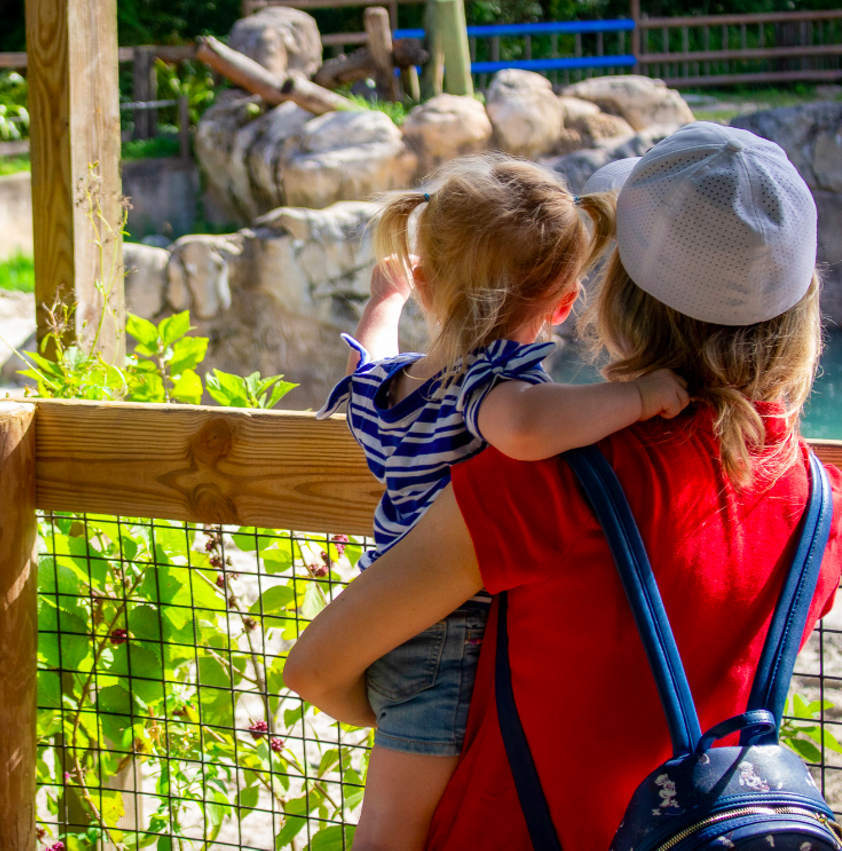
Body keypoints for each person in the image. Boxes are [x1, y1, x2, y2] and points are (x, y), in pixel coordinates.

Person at [284, 121, 842, 851]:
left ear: (620, 296)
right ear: (797, 306)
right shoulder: (820, 507)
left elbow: (316, 666)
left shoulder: (549, 483)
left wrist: (403, 708)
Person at [311, 154, 689, 850]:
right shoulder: (486, 384)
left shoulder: (391, 391)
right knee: (394, 826)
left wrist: (383, 302)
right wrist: (637, 397)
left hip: (390, 607)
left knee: (399, 810)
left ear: (427, 281)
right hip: (445, 631)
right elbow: (524, 426)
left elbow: (364, 358)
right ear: (565, 303)